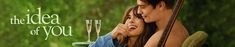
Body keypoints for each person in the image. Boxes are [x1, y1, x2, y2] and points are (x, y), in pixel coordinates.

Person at [89, 6, 156, 47]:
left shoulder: (152, 43)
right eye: (129, 17)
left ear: (146, 21)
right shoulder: (116, 43)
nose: (131, 21)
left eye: (137, 17)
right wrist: (111, 35)